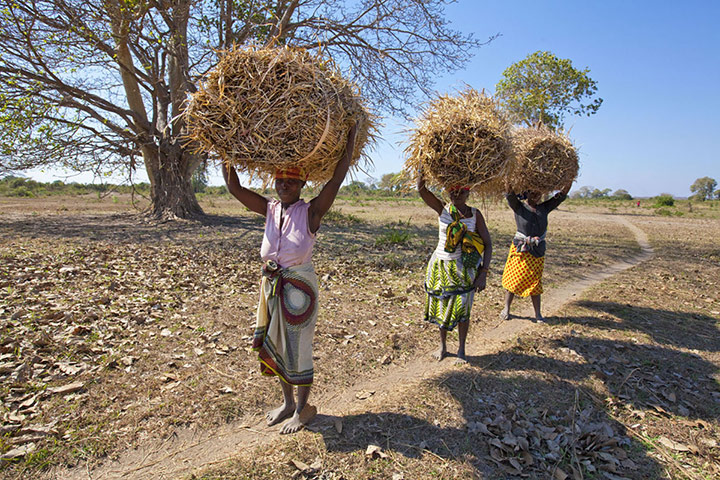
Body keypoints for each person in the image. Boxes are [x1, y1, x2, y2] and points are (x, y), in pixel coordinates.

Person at [223, 123, 357, 434]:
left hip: (299, 289)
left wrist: (349, 142)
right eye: (280, 180)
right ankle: (286, 403)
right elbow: (235, 188)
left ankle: (302, 409)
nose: (284, 185)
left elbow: (337, 178)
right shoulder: (269, 209)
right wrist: (224, 147)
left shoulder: (312, 212)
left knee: (298, 347)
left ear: (302, 182)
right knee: (278, 345)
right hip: (271, 285)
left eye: (291, 181)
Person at [417, 177, 492, 364]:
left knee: (463, 309)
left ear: (468, 193)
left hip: (464, 269)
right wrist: (421, 168)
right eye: (453, 192)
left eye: (461, 192)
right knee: (442, 306)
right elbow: (421, 189)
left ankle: (461, 349)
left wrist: (483, 273)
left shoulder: (475, 215)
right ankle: (443, 346)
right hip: (440, 266)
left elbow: (488, 244)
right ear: (448, 193)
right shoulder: (442, 209)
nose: (456, 196)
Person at [499, 184, 571, 322]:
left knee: (535, 282)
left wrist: (570, 180)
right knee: (512, 280)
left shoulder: (544, 208)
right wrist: (508, 176)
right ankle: (506, 309)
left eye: (539, 193)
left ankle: (538, 314)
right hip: (520, 249)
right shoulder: (519, 207)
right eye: (533, 193)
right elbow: (509, 193)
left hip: (537, 251)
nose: (536, 196)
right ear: (527, 193)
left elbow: (561, 196)